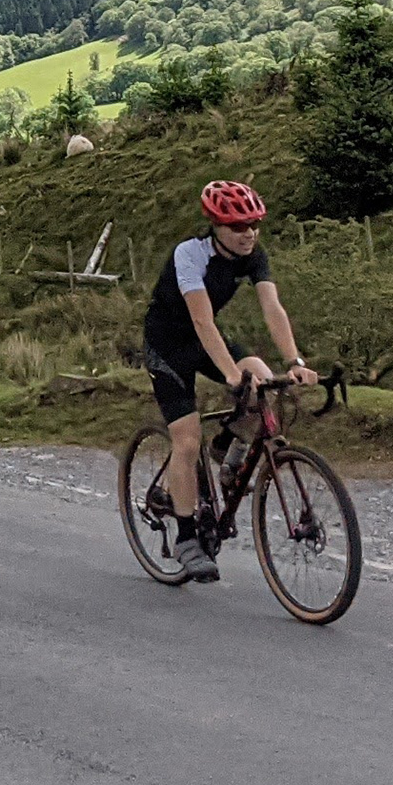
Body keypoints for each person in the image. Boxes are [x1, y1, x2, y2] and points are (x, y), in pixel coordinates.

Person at [139, 179, 312, 581]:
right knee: (186, 440)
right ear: (216, 226)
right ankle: (186, 538)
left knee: (265, 384)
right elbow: (201, 320)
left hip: (207, 341)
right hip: (168, 346)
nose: (248, 233)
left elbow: (273, 308)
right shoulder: (190, 254)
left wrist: (294, 360)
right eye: (237, 226)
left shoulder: (253, 255)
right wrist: (232, 374)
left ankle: (228, 452)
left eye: (254, 224)